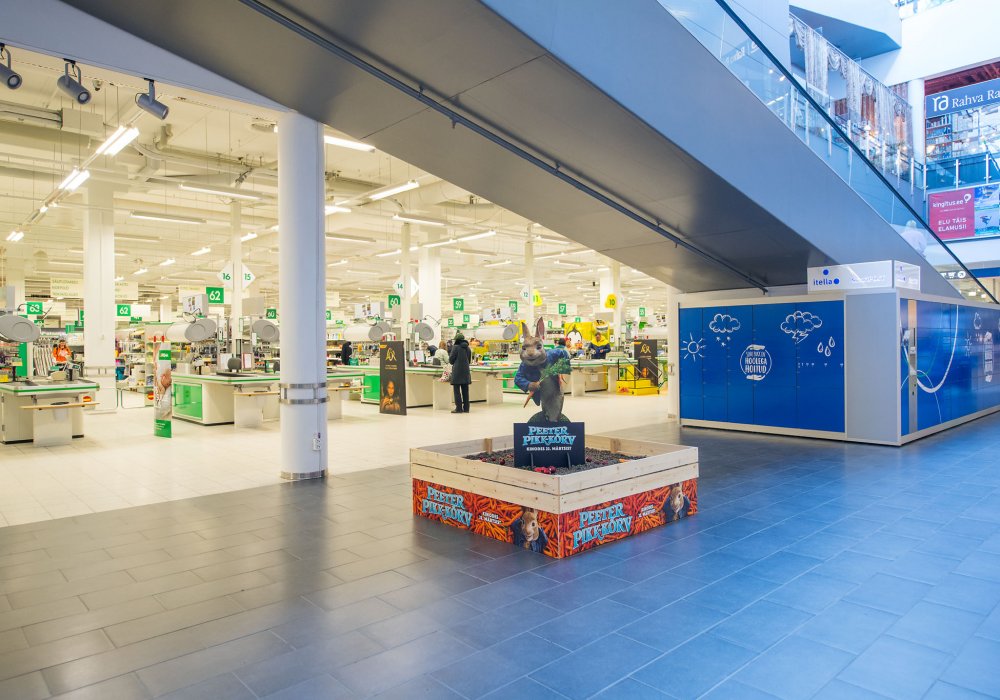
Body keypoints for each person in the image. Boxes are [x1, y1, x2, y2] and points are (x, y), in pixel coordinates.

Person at [448, 333, 472, 413]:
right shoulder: (468, 348)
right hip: (466, 371)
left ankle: (459, 408)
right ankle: (466, 408)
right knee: (465, 390)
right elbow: (469, 361)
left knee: (457, 391)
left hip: (457, 372)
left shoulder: (455, 347)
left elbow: (451, 360)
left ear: (457, 340)